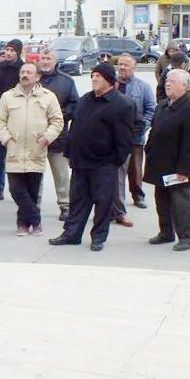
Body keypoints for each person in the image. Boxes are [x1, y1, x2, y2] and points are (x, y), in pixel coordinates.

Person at [48, 63, 132, 252]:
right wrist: (70, 152)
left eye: (98, 76)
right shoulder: (85, 100)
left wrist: (113, 163)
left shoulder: (122, 104)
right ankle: (71, 234)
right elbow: (75, 128)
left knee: (103, 203)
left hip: (104, 164)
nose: (93, 79)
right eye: (92, 75)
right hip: (80, 162)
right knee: (77, 201)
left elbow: (125, 140)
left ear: (109, 80)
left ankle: (98, 237)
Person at [0, 63, 64, 236]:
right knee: (16, 189)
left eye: (29, 72)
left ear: (37, 77)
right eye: (22, 72)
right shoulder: (8, 97)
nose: (24, 75)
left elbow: (57, 121)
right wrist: (7, 139)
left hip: (36, 150)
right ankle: (35, 219)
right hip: (14, 150)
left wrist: (46, 137)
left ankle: (23, 224)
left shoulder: (48, 97)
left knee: (32, 191)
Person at [143, 69, 190, 251]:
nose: (167, 84)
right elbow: (154, 130)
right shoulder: (163, 105)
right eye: (167, 81)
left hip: (178, 165)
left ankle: (187, 236)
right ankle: (166, 232)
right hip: (159, 162)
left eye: (173, 81)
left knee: (180, 202)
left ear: (185, 86)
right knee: (161, 199)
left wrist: (184, 170)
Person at [112, 53, 157, 227]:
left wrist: (142, 127)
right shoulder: (113, 85)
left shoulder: (143, 87)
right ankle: (117, 206)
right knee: (118, 173)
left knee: (135, 168)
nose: (122, 68)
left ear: (134, 67)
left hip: (135, 136)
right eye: (120, 64)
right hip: (115, 137)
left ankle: (138, 194)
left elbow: (151, 109)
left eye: (126, 65)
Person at [37, 48, 79, 221]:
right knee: (35, 174)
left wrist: (60, 116)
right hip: (36, 137)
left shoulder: (66, 81)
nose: (45, 62)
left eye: (49, 58)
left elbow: (75, 105)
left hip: (59, 136)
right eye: (43, 58)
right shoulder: (33, 79)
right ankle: (34, 204)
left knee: (61, 175)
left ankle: (65, 205)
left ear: (55, 61)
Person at [158, 51, 190, 185]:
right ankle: (171, 176)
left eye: (178, 67)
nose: (175, 69)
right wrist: (165, 108)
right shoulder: (168, 73)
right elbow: (160, 92)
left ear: (184, 64)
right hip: (170, 113)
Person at [0, 39, 24, 203]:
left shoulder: (23, 69)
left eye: (12, 50)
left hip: (17, 117)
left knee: (16, 156)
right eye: (7, 49)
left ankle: (20, 191)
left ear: (18, 52)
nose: (8, 53)